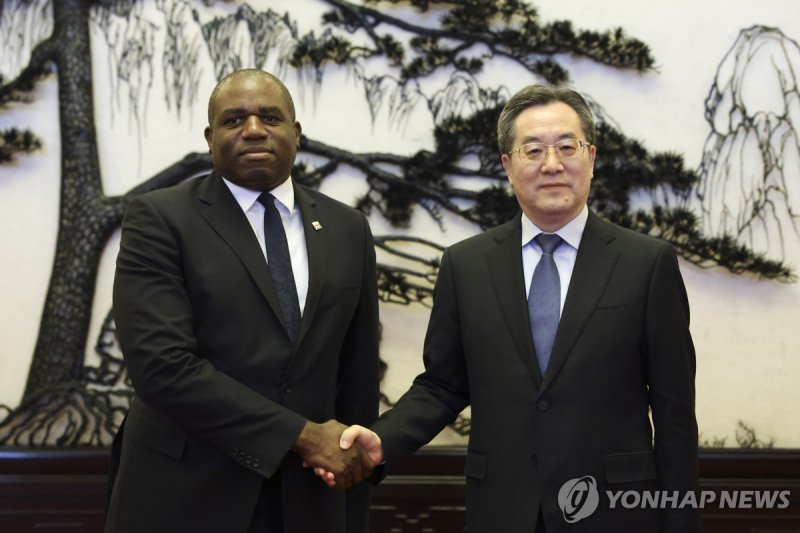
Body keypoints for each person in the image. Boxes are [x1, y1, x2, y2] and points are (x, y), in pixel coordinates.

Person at [319, 84, 700, 532]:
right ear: (508, 166)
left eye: (566, 147)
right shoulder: (466, 265)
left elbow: (675, 414)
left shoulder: (646, 263)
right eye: (533, 149)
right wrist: (382, 440)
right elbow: (443, 385)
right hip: (503, 509)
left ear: (591, 158)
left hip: (614, 512)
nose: (552, 164)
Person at [105, 69, 380, 533]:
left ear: (296, 133)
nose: (253, 130)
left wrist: (351, 474)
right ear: (210, 139)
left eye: (269, 117)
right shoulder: (159, 218)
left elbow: (356, 372)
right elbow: (162, 367)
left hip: (311, 497)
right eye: (234, 120)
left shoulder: (347, 228)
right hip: (186, 496)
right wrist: (304, 436)